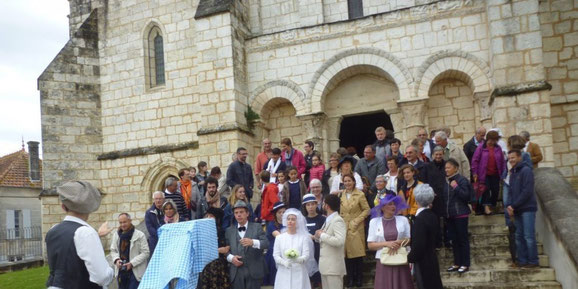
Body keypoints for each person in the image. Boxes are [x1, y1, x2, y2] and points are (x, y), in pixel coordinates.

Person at [45, 181, 114, 288]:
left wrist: (97, 235)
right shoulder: (87, 233)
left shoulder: (53, 230)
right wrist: (111, 271)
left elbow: (68, 249)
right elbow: (102, 277)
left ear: (63, 207)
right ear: (90, 207)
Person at [367, 195, 413, 289]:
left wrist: (398, 243)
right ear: (383, 207)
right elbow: (370, 245)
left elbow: (409, 239)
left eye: (394, 204)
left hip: (400, 258)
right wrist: (387, 244)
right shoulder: (374, 222)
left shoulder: (403, 220)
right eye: (390, 204)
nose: (393, 207)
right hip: (383, 259)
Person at [225, 200, 269, 289]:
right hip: (236, 273)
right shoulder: (229, 231)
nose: (239, 215)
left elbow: (266, 243)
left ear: (247, 213)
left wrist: (253, 242)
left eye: (241, 212)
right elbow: (226, 250)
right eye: (236, 212)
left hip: (254, 272)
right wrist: (231, 258)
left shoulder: (257, 227)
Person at [506, 149, 539, 268]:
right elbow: (510, 191)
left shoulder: (526, 171)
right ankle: (522, 260)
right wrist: (509, 205)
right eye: (509, 158)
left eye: (513, 158)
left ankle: (533, 261)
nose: (511, 160)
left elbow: (527, 191)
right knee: (519, 236)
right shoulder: (513, 172)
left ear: (519, 157)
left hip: (527, 208)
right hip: (517, 209)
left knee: (528, 236)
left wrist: (513, 205)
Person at [407, 184, 443, 289]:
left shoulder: (420, 219)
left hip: (423, 261)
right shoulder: (432, 216)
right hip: (432, 257)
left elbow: (418, 245)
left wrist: (409, 258)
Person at [339, 173, 370, 287]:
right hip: (344, 227)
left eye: (349, 181)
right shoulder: (341, 195)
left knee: (357, 255)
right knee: (347, 255)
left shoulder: (360, 194)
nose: (347, 183)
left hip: (356, 227)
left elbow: (367, 210)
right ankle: (350, 278)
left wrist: (357, 220)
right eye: (345, 181)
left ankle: (359, 278)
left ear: (354, 182)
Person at [273, 208, 316, 289]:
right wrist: (284, 262)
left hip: (299, 271)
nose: (290, 221)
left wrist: (297, 260)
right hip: (284, 271)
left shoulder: (303, 238)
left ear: (297, 222)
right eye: (288, 219)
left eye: (293, 219)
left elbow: (306, 255)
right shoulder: (279, 238)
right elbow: (276, 255)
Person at [443, 159, 473, 274]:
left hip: (461, 214)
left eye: (449, 167)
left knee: (462, 239)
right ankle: (456, 263)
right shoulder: (446, 181)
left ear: (456, 168)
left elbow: (466, 196)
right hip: (450, 215)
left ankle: (465, 264)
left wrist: (456, 187)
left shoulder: (462, 180)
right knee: (454, 240)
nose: (446, 170)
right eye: (446, 168)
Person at [314, 194, 346, 289]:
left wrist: (322, 235)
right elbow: (323, 239)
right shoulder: (328, 219)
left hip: (334, 268)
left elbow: (340, 241)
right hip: (326, 267)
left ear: (327, 206)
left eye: (323, 203)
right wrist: (317, 236)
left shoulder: (337, 220)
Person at [471, 130, 506, 215]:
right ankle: (486, 208)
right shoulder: (481, 147)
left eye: (495, 140)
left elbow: (502, 161)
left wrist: (503, 171)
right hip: (483, 174)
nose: (492, 142)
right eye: (491, 140)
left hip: (495, 173)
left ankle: (492, 206)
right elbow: (475, 160)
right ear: (488, 139)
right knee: (485, 190)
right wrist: (474, 172)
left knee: (495, 190)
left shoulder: (498, 148)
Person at [111, 213, 150, 289]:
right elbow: (113, 250)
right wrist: (117, 260)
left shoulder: (140, 235)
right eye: (120, 222)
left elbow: (146, 253)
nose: (122, 225)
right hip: (121, 272)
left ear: (130, 221)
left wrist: (132, 263)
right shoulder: (116, 235)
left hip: (135, 272)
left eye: (125, 222)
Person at [197, 207, 231, 289]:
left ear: (217, 218)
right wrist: (218, 250)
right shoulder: (202, 231)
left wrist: (221, 250)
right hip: (206, 264)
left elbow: (225, 248)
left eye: (211, 216)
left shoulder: (222, 231)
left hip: (219, 264)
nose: (208, 218)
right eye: (207, 215)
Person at [302, 194, 325, 288]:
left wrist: (315, 237)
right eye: (308, 205)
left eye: (312, 204)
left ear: (316, 205)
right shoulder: (302, 220)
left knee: (320, 279)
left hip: (319, 252)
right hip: (307, 252)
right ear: (305, 206)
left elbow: (325, 234)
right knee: (308, 279)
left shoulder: (323, 219)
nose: (310, 207)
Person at [264, 202, 287, 286]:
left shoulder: (289, 223)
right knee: (276, 280)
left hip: (286, 252)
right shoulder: (271, 225)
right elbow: (279, 237)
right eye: (279, 212)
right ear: (275, 214)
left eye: (284, 212)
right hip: (274, 254)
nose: (282, 214)